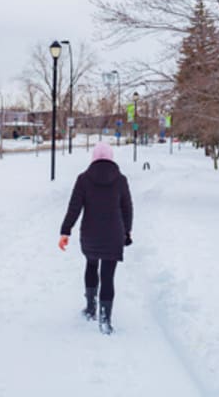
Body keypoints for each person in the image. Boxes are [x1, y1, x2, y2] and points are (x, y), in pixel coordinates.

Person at [59, 141, 133, 334]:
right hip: (114, 234)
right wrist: (127, 230)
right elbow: (127, 208)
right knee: (108, 276)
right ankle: (105, 319)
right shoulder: (121, 179)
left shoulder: (83, 179)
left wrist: (65, 231)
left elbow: (74, 208)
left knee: (91, 266)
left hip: (90, 233)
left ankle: (91, 307)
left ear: (93, 158)